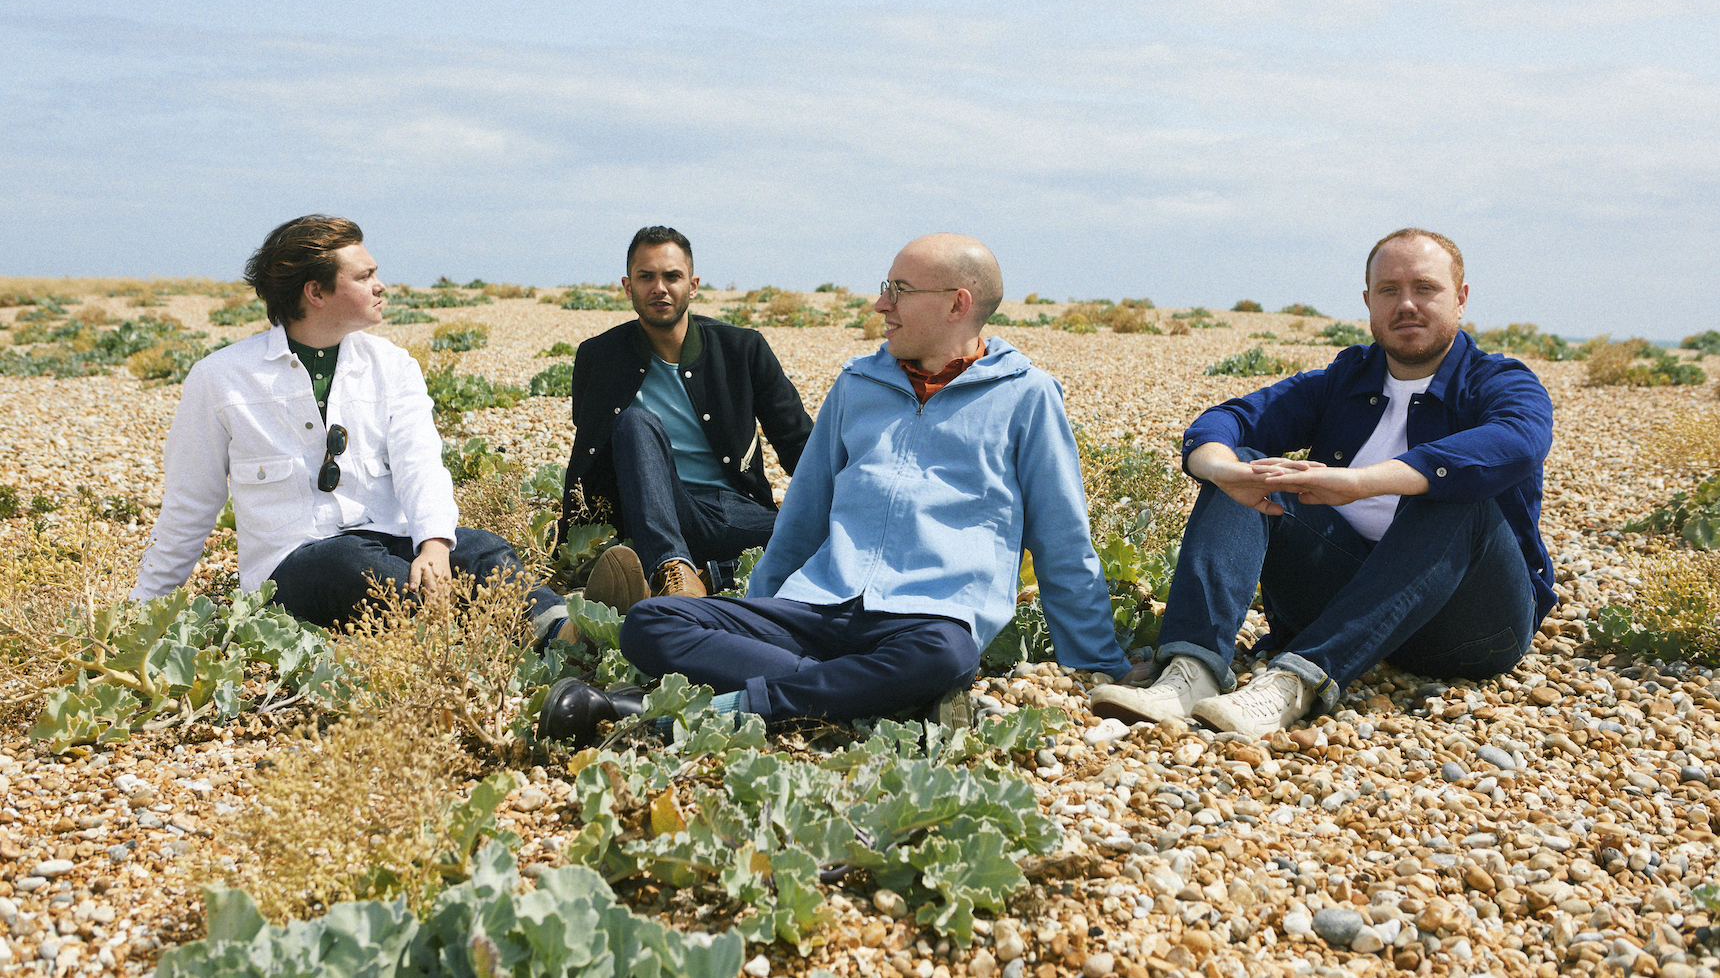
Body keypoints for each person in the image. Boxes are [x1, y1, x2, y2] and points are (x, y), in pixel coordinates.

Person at [537, 233, 1132, 743]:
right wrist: (756, 608)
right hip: (816, 607)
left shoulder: (1025, 397)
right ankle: (858, 689)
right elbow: (801, 518)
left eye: (899, 290)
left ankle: (737, 708)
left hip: (927, 619)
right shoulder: (857, 385)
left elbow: (1062, 540)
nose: (880, 304)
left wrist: (1097, 663)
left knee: (948, 657)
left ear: (958, 304)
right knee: (653, 623)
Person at [1091, 228, 1555, 740]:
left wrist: (1358, 483)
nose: (1406, 304)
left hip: (1469, 627)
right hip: (1338, 600)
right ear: (1368, 303)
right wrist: (1227, 472)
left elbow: (1516, 441)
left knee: (1458, 497)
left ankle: (1293, 682)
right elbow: (1227, 422)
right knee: (1254, 466)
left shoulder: (1501, 383)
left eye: (1425, 288)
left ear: (1460, 298)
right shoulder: (1346, 379)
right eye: (1388, 290)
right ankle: (1192, 673)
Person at [130, 216, 570, 642]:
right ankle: (490, 627)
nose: (381, 287)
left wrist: (434, 546)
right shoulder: (220, 378)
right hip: (290, 572)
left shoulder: (394, 366)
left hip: (386, 540)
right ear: (315, 292)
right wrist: (140, 615)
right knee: (346, 562)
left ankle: (561, 628)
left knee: (479, 550)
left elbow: (420, 464)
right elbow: (191, 503)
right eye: (364, 277)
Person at [558, 226, 814, 607]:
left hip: (733, 511)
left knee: (828, 535)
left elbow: (799, 443)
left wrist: (846, 502)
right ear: (628, 287)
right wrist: (574, 535)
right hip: (650, 512)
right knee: (633, 422)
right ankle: (670, 567)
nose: (659, 287)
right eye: (646, 277)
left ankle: (706, 576)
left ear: (692, 286)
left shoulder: (742, 349)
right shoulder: (599, 357)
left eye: (672, 276)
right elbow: (590, 449)